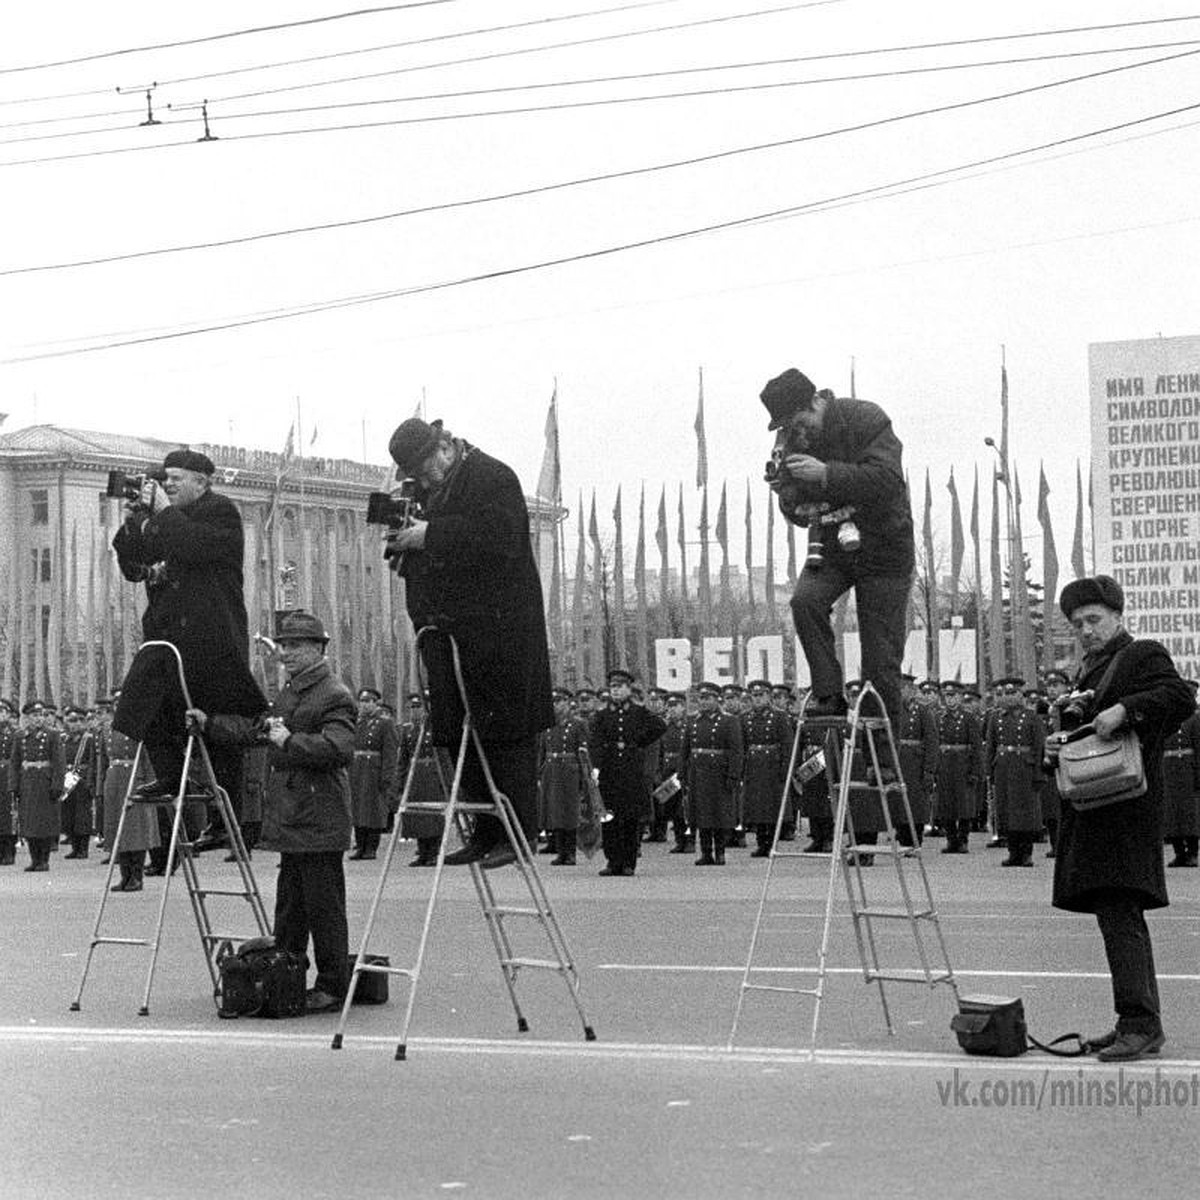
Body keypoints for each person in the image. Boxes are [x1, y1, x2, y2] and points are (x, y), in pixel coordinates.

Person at [385, 417, 554, 871]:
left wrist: (431, 535)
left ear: (444, 448)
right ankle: (483, 829)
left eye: (424, 470)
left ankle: (516, 833)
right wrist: (404, 541)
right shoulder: (428, 490)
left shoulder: (491, 476)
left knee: (504, 733)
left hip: (497, 633)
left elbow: (500, 539)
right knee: (457, 731)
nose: (421, 481)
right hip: (448, 631)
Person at [1046, 575, 1194, 1061]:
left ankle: (1141, 1023)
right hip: (1098, 808)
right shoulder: (1093, 670)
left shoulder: (1141, 654)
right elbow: (1087, 736)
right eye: (1077, 624)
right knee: (1115, 916)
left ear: (1117, 617)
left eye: (1094, 619)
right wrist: (1056, 748)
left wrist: (1126, 709)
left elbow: (1180, 697)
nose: (1085, 630)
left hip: (1126, 811)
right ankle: (1133, 1019)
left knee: (1122, 915)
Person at [191, 611, 356, 1014]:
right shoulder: (292, 693)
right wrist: (210, 724)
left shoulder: (333, 693)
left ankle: (333, 985)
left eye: (296, 646)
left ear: (319, 649)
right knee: (291, 906)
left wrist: (291, 740)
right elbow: (257, 730)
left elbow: (339, 748)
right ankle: (287, 975)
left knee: (324, 907)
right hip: (295, 816)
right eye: (283, 646)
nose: (286, 653)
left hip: (319, 817)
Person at [111, 449, 266, 837]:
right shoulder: (162, 520)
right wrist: (133, 521)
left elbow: (192, 545)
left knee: (218, 722)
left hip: (211, 635)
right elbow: (133, 568)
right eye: (166, 479)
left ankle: (224, 817)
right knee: (142, 704)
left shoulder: (221, 512)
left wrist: (161, 513)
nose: (170, 485)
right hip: (166, 635)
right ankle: (169, 775)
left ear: (202, 481)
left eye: (178, 478)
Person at [761, 369, 913, 732]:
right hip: (832, 545)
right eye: (788, 427)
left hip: (884, 549)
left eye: (799, 422)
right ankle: (828, 692)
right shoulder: (793, 441)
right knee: (804, 602)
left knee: (880, 663)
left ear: (816, 401)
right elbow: (794, 505)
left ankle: (884, 761)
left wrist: (825, 474)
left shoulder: (867, 419)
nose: (797, 433)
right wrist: (790, 495)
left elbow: (888, 480)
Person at [588, 669, 666, 877]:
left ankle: (629, 862)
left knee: (631, 818)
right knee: (610, 818)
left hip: (632, 771)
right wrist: (595, 767)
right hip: (610, 770)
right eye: (613, 687)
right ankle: (613, 861)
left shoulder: (639, 713)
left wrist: (639, 743)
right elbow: (595, 742)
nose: (615, 691)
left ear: (629, 689)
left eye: (620, 687)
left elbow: (659, 726)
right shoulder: (603, 715)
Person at [680, 681, 744, 866]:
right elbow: (686, 749)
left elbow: (736, 750)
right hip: (698, 773)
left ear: (717, 699)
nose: (704, 702)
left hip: (719, 773)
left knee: (719, 815)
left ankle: (720, 852)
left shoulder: (728, 720)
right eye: (702, 698)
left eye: (708, 698)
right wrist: (681, 771)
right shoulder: (693, 720)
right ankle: (706, 852)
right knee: (701, 815)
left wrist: (734, 774)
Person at [985, 677, 1044, 867]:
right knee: (1007, 811)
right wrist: (989, 771)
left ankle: (1026, 852)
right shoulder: (996, 718)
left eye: (1013, 693)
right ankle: (1013, 852)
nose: (1009, 698)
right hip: (1003, 768)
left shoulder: (1032, 717)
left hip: (1025, 769)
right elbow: (991, 747)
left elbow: (1039, 747)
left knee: (1025, 813)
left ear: (1021, 695)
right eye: (1005, 694)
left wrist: (1038, 773)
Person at [11, 700, 66, 872]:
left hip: (45, 782)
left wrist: (57, 785)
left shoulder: (52, 735)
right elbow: (15, 762)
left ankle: (44, 859)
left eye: (41, 715)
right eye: (34, 716)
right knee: (29, 823)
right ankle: (34, 859)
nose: (39, 719)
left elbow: (59, 762)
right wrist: (13, 785)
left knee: (45, 822)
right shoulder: (20, 736)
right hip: (27, 782)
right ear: (27, 718)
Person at [740, 680, 793, 857]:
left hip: (772, 765)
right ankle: (761, 842)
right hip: (754, 765)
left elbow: (787, 744)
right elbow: (743, 745)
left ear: (768, 696)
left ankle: (771, 843)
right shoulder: (746, 717)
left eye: (761, 695)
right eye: (754, 695)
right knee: (756, 807)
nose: (757, 699)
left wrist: (786, 769)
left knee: (771, 807)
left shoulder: (779, 716)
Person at [537, 688, 589, 867]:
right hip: (552, 771)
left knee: (570, 812)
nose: (556, 706)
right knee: (554, 812)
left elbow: (583, 751)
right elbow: (542, 751)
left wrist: (584, 775)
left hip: (570, 771)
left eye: (560, 702)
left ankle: (571, 852)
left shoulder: (577, 725)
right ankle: (560, 852)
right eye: (554, 702)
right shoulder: (547, 725)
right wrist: (540, 771)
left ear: (568, 703)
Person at [348, 687, 399, 862]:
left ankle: (371, 847)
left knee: (374, 810)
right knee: (358, 809)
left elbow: (390, 752)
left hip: (374, 770)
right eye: (361, 701)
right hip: (357, 770)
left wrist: (387, 776)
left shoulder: (385, 723)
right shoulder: (357, 722)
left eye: (367, 701)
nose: (363, 705)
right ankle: (360, 845)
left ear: (375, 703)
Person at [933, 681, 982, 854]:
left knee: (964, 805)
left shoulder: (969, 718)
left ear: (960, 697)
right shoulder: (939, 717)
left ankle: (963, 840)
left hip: (963, 764)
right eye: (947, 696)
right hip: (945, 764)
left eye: (953, 696)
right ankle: (951, 839)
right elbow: (935, 743)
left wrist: (976, 770)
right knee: (946, 804)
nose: (950, 699)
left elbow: (976, 746)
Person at [1161, 679, 1199, 869]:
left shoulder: (1195, 720)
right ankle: (1179, 853)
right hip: (1169, 769)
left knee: (1189, 814)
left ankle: (1192, 853)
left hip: (1187, 770)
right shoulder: (1167, 718)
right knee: (1172, 814)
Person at [0, 699, 19, 866]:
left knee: (8, 816)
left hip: (7, 776)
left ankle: (9, 851)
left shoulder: (14, 734)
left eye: (2, 712)